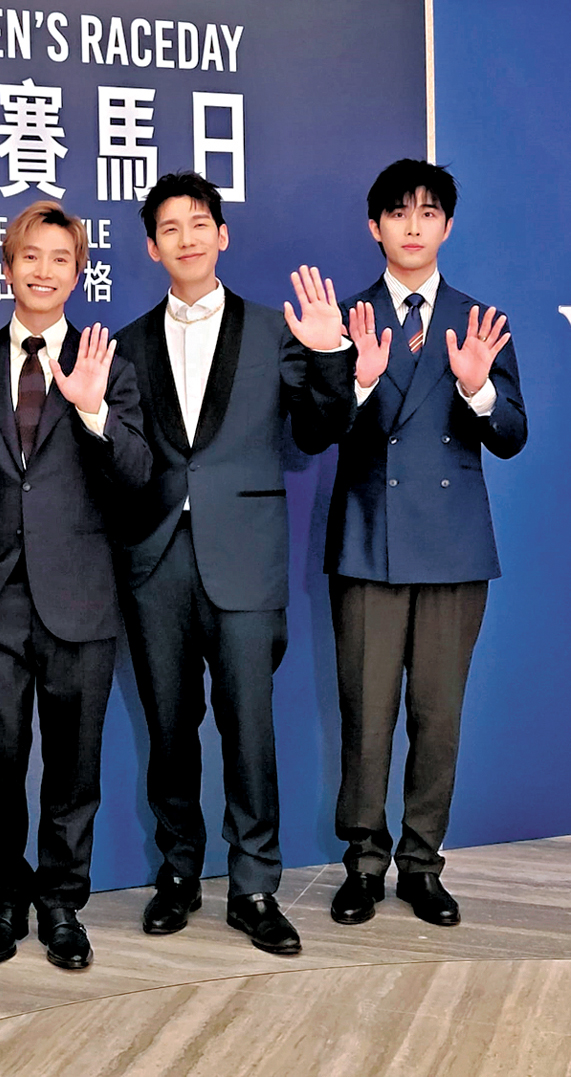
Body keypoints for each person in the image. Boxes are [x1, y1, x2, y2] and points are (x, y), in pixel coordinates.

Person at [115, 171, 355, 955]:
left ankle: (254, 885)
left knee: (249, 728)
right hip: (155, 560)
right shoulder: (126, 343)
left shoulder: (273, 327)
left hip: (245, 559)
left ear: (221, 235)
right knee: (168, 727)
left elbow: (318, 431)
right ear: (151, 248)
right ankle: (177, 871)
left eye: (198, 223)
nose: (186, 238)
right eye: (169, 228)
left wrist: (329, 353)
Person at [0, 201, 151, 970]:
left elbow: (137, 474)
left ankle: (62, 902)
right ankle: (3, 900)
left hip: (81, 596)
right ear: (6, 267)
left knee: (73, 765)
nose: (43, 270)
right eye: (30, 255)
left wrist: (92, 410)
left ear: (78, 272)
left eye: (60, 258)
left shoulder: (109, 366)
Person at [325, 159, 526, 929]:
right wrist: (356, 380)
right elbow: (312, 430)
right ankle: (362, 863)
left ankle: (420, 863)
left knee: (437, 716)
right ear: (373, 225)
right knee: (366, 713)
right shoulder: (343, 318)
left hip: (452, 548)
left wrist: (477, 387)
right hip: (368, 541)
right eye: (398, 212)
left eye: (428, 212)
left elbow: (510, 433)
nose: (413, 225)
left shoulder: (479, 321)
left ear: (446, 225)